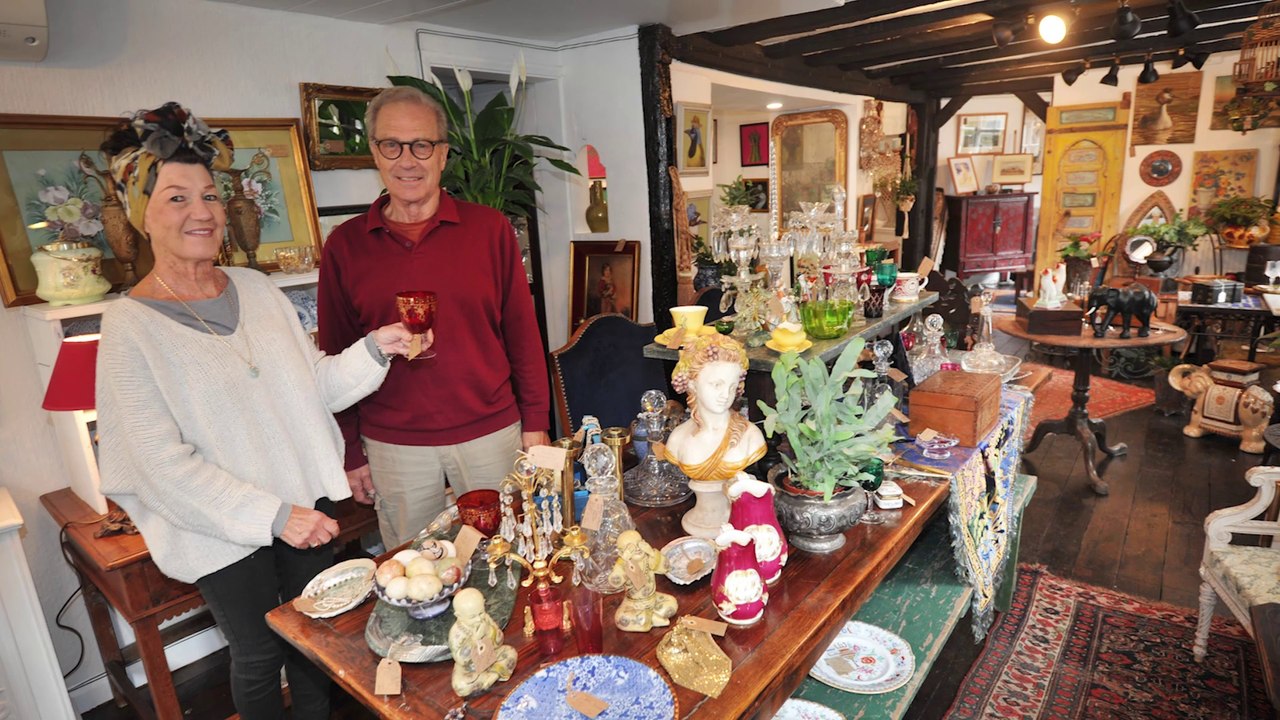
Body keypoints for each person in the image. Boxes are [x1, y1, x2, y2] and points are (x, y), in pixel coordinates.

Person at [94, 102, 417, 720]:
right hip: (223, 525)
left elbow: (311, 387)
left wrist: (374, 348)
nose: (204, 212)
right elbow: (157, 463)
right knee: (260, 654)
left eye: (211, 196)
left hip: (303, 504)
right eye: (177, 198)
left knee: (316, 637)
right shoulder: (129, 326)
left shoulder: (258, 289)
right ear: (142, 216)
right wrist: (273, 516)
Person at [317, 86, 551, 549]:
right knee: (416, 573)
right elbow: (335, 358)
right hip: (394, 446)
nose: (408, 160)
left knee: (510, 554)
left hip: (491, 433)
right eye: (392, 145)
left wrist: (535, 423)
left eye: (422, 145)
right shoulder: (345, 245)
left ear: (442, 154)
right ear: (375, 154)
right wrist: (349, 452)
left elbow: (523, 335)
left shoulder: (489, 230)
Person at [665, 334, 765, 481]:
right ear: (693, 384)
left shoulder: (751, 437)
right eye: (717, 385)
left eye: (732, 387)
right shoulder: (678, 439)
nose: (725, 395)